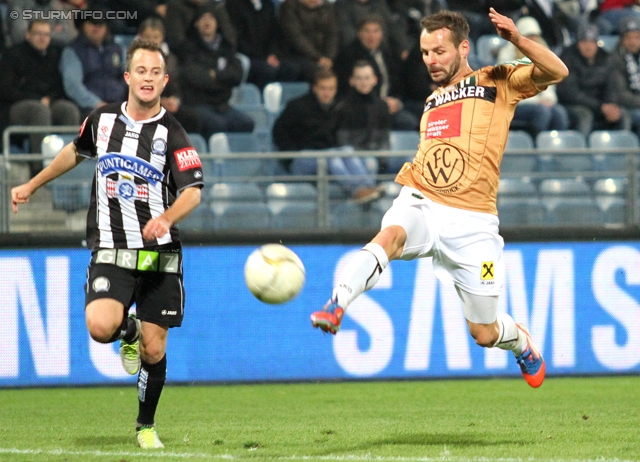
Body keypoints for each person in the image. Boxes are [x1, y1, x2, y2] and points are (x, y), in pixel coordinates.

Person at [311, 8, 570, 389]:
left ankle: (519, 341)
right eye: (424, 53)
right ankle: (337, 303)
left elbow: (558, 71)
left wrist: (516, 39)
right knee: (390, 236)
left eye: (439, 51)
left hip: (474, 224)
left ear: (463, 48)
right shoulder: (432, 103)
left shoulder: (496, 81)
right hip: (423, 200)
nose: (430, 60)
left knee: (483, 331)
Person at [11, 39, 204, 448]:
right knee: (100, 327)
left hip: (159, 255)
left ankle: (146, 425)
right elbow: (73, 152)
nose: (148, 78)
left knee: (154, 351)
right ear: (127, 77)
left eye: (156, 73)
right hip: (112, 251)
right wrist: (31, 184)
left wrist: (166, 217)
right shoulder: (101, 120)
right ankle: (127, 329)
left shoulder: (173, 132)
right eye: (142, 71)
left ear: (164, 80)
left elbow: (193, 192)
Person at [272, 68, 382, 202]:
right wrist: (292, 153)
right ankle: (357, 191)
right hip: (300, 158)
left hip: (328, 153)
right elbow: (278, 132)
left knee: (346, 151)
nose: (327, 93)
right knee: (331, 158)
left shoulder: (338, 108)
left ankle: (368, 187)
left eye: (331, 89)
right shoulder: (296, 107)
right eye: (323, 88)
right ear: (314, 88)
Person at [0, 19, 80, 175]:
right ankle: (39, 167)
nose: (43, 38)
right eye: (38, 34)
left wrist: (50, 98)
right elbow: (5, 89)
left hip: (48, 102)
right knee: (39, 111)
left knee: (68, 110)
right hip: (15, 105)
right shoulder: (13, 55)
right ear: (28, 35)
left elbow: (58, 85)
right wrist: (37, 99)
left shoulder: (53, 55)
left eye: (46, 34)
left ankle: (68, 165)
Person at [177, 3, 255, 137]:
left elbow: (237, 75)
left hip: (222, 104)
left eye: (211, 18)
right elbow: (193, 77)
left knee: (247, 123)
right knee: (217, 125)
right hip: (198, 104)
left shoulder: (225, 48)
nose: (207, 22)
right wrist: (222, 79)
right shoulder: (188, 48)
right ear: (196, 23)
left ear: (217, 23)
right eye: (203, 18)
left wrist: (215, 75)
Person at [334, 14, 419, 130]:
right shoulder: (348, 56)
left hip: (392, 103)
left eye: (375, 31)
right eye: (367, 31)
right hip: (366, 109)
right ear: (359, 34)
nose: (371, 36)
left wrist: (398, 101)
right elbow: (348, 91)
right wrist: (381, 105)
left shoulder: (387, 53)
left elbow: (399, 82)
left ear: (381, 34)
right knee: (408, 122)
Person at [497, 16, 569, 137]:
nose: (533, 40)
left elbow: (550, 81)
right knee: (542, 112)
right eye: (529, 37)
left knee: (559, 113)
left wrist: (548, 99)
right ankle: (535, 148)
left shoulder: (541, 54)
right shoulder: (507, 56)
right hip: (515, 104)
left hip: (539, 102)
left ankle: (555, 149)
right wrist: (537, 101)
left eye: (535, 37)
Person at [557, 23, 630, 136]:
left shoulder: (606, 57)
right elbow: (569, 93)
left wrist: (611, 104)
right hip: (575, 105)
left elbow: (613, 86)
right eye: (584, 42)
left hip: (602, 105)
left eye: (592, 42)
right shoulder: (567, 57)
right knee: (585, 115)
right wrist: (600, 107)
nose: (588, 46)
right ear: (577, 43)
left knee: (622, 114)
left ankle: (624, 152)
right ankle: (581, 152)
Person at [137, 17, 203, 135]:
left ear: (162, 38)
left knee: (193, 118)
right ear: (140, 37)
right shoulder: (133, 59)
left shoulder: (171, 59)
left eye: (156, 37)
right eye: (148, 37)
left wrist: (175, 100)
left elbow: (177, 85)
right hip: (142, 104)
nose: (152, 41)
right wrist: (159, 101)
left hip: (166, 104)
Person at [59, 12, 128, 118]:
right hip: (88, 109)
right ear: (82, 25)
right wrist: (96, 104)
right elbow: (73, 86)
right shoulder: (73, 51)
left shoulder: (118, 50)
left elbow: (130, 78)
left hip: (121, 106)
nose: (96, 27)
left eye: (100, 23)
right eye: (92, 22)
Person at [226, 0, 302, 90]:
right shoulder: (233, 5)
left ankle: (282, 101)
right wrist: (264, 57)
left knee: (292, 69)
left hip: (267, 57)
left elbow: (274, 35)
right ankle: (261, 101)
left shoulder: (268, 5)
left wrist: (272, 54)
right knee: (267, 71)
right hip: (246, 57)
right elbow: (237, 40)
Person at [336, 60, 391, 172]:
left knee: (409, 161)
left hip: (379, 155)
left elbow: (385, 136)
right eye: (359, 78)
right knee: (369, 163)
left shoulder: (382, 106)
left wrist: (382, 158)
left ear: (374, 80)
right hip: (356, 157)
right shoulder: (343, 107)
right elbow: (343, 140)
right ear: (352, 81)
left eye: (367, 78)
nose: (363, 82)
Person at [278, 0, 340, 82]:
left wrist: (329, 57)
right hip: (296, 55)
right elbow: (296, 37)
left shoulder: (327, 7)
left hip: (323, 56)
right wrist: (318, 58)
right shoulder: (289, 6)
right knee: (317, 71)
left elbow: (333, 34)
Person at [611, 16, 640, 139]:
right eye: (629, 38)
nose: (633, 42)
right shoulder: (615, 59)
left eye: (637, 37)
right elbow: (620, 94)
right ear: (621, 39)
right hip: (625, 106)